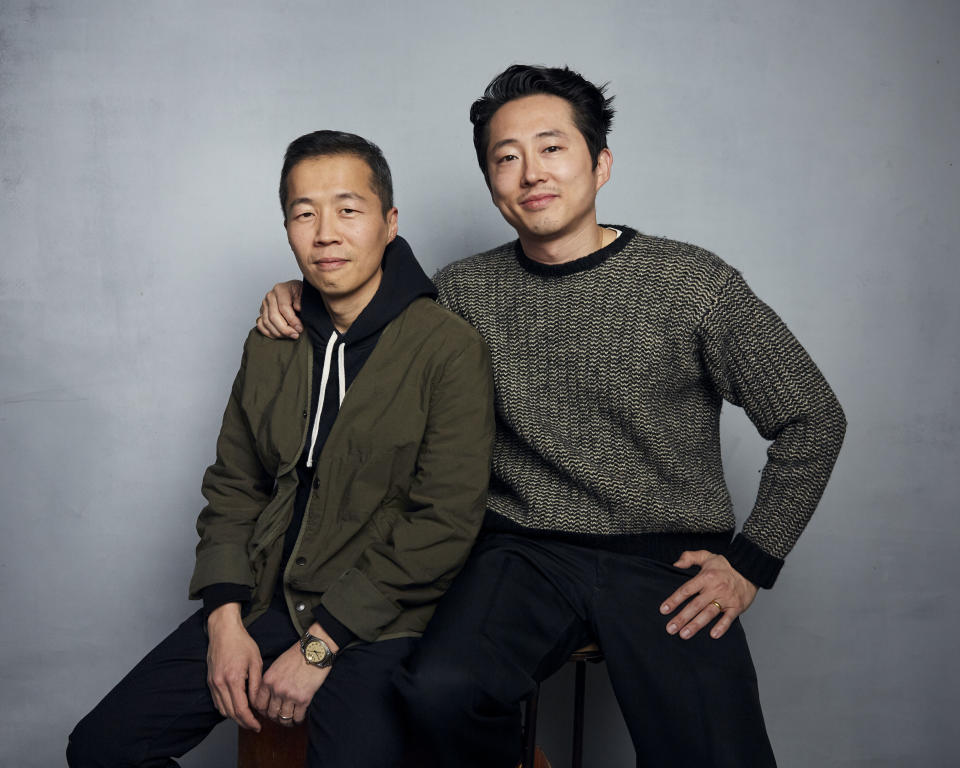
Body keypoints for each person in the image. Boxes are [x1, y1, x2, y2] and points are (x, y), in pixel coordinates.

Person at [257, 66, 846, 767]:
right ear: (490, 183)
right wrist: (302, 291)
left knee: (718, 755)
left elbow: (812, 417)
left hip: (666, 561)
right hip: (519, 552)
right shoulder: (462, 291)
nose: (530, 173)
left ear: (599, 164)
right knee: (436, 692)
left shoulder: (692, 283)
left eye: (551, 148)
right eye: (506, 158)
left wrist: (751, 563)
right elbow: (365, 302)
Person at [66, 131, 494, 768]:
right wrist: (224, 618)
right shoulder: (275, 335)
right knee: (104, 748)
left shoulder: (447, 346)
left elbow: (443, 521)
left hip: (381, 617)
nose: (325, 233)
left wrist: (322, 646)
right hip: (269, 598)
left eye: (349, 210)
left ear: (389, 222)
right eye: (304, 213)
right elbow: (235, 485)